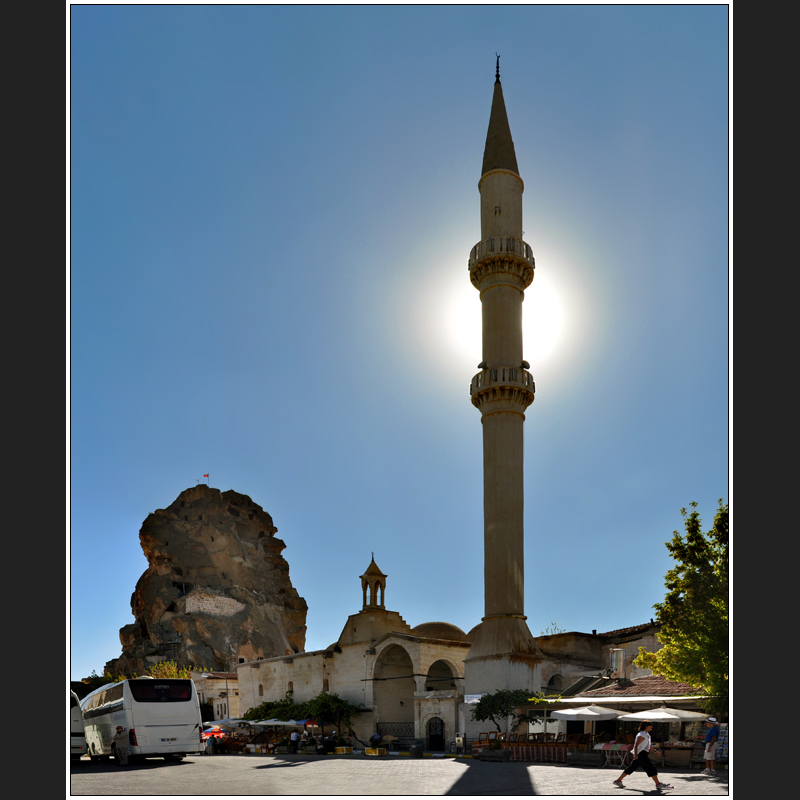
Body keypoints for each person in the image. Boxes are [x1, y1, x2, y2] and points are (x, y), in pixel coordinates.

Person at [612, 722, 673, 791]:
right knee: (651, 768)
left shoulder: (647, 734)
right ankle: (658, 784)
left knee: (632, 767)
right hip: (641, 754)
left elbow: (648, 745)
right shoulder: (642, 734)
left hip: (642, 753)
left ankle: (618, 781)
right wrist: (635, 754)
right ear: (646, 726)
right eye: (651, 726)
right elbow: (636, 745)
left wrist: (655, 751)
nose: (652, 727)